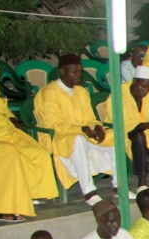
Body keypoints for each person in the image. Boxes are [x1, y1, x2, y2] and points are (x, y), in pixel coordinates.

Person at [34, 53, 123, 203]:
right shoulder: (49, 93)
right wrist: (82, 129)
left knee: (114, 135)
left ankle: (118, 186)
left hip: (82, 132)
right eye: (74, 71)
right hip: (58, 137)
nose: (79, 75)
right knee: (79, 139)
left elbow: (89, 118)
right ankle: (89, 191)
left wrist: (97, 127)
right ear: (62, 71)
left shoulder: (81, 92)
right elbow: (55, 124)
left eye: (80, 71)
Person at [0, 71, 57, 205]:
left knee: (40, 154)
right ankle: (23, 196)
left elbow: (3, 108)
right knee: (17, 157)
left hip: (10, 131)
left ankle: (38, 193)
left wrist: (12, 118)